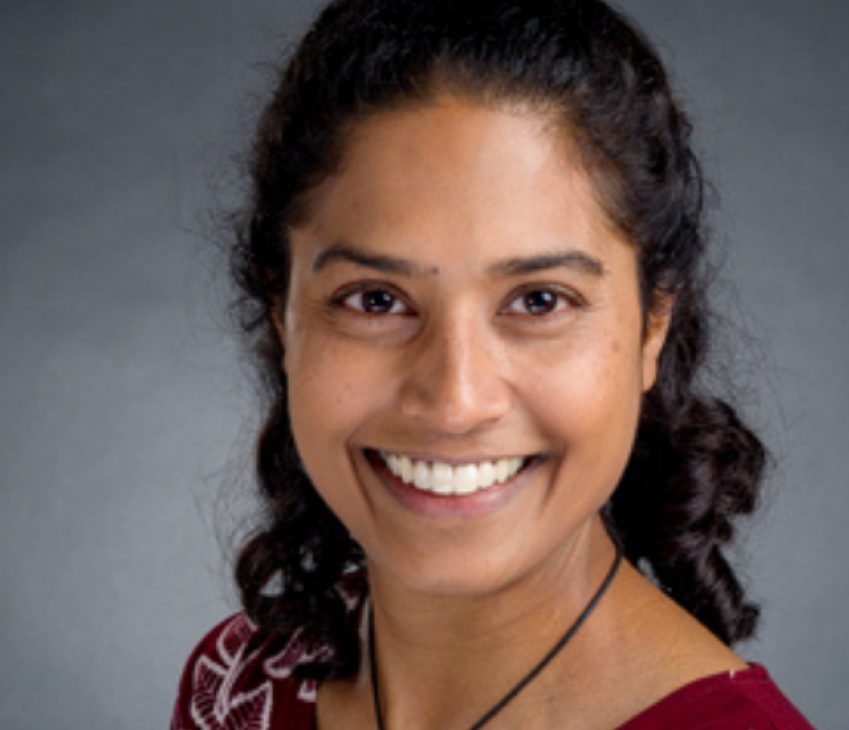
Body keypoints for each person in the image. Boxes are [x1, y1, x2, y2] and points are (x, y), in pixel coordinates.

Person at [171, 1, 816, 728]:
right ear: (280, 314)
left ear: (651, 328)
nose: (455, 400)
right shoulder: (236, 687)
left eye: (539, 301)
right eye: (376, 300)